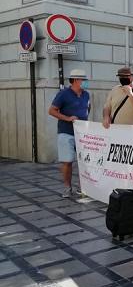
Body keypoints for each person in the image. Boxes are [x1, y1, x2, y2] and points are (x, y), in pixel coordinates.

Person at [48, 69, 91, 198]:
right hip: (66, 132)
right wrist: (68, 118)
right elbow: (51, 111)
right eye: (84, 80)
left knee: (84, 161)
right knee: (67, 161)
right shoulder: (63, 94)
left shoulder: (86, 94)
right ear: (76, 80)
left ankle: (83, 187)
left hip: (82, 134)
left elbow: (88, 108)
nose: (86, 82)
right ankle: (67, 187)